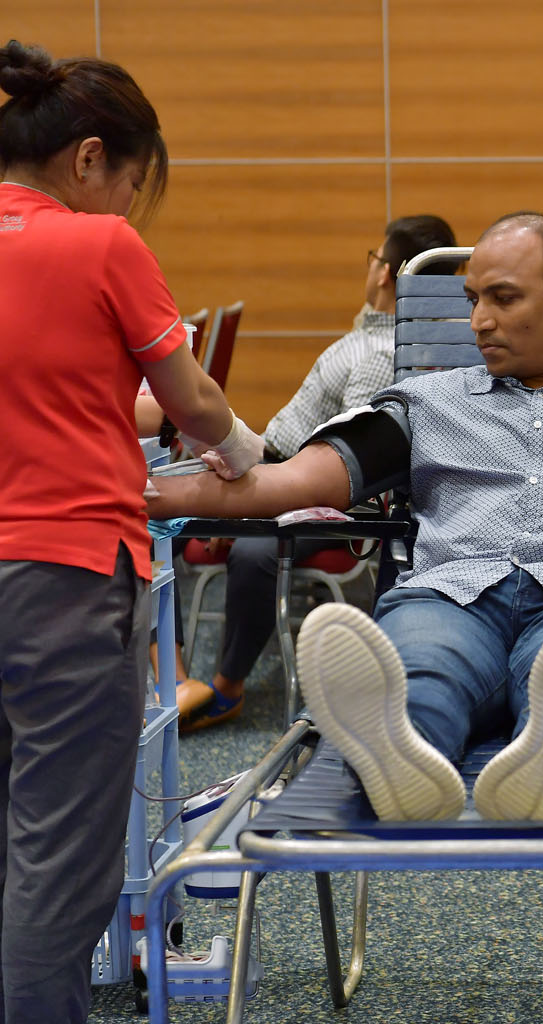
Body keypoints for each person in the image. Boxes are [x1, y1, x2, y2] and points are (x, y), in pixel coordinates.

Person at [148, 211, 543, 822]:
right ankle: (402, 756)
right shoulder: (424, 403)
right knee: (420, 673)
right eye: (473, 299)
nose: (480, 320)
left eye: (504, 298)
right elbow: (292, 481)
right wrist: (158, 494)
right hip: (451, 598)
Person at [0, 41, 264, 1023]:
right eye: (127, 185)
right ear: (86, 157)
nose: (123, 210)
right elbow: (188, 398)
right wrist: (247, 453)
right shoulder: (97, 244)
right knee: (57, 867)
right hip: (62, 579)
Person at [175, 213, 458, 733]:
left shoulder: (379, 352)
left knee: (251, 549)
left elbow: (349, 468)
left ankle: (225, 688)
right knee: (172, 521)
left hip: (301, 487)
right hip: (273, 465)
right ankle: (168, 676)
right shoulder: (372, 334)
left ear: (385, 274)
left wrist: (243, 505)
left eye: (373, 257)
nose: (368, 266)